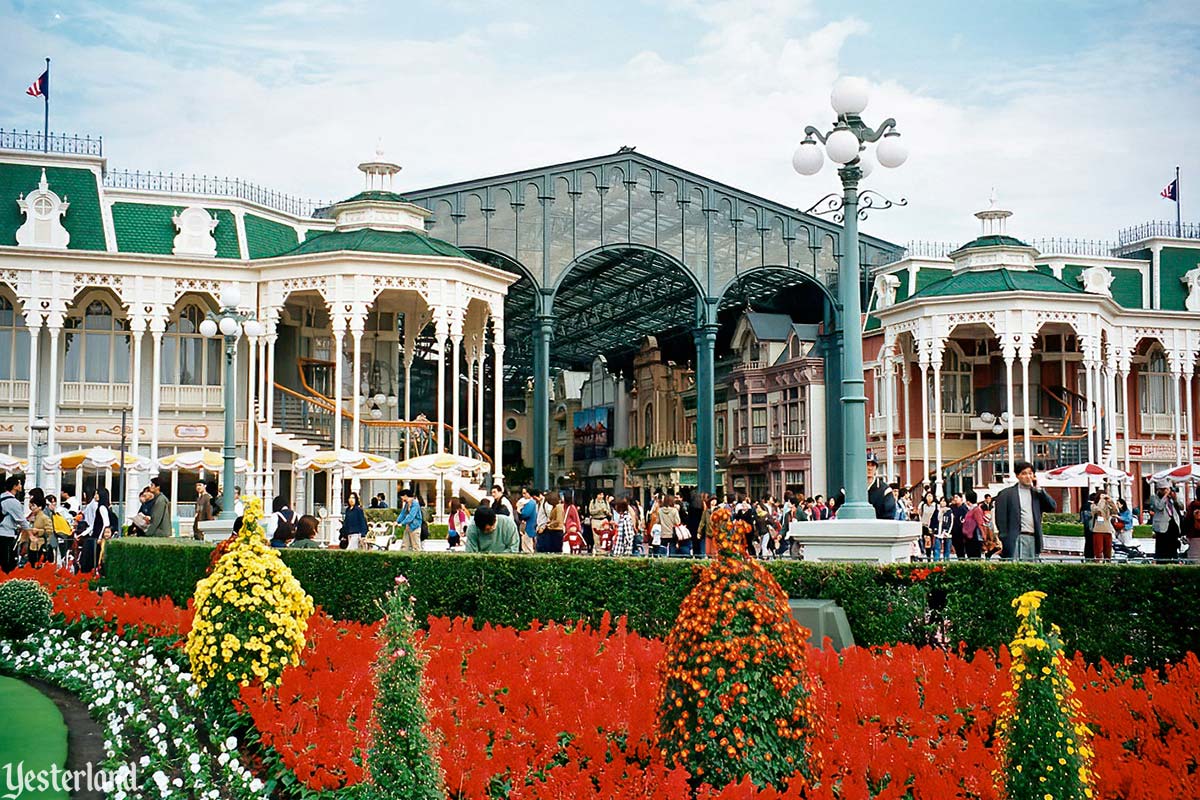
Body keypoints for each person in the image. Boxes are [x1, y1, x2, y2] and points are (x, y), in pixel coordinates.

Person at [994, 461, 1057, 560]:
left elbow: (1052, 507)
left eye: (1030, 473)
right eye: (1024, 473)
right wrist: (1004, 539)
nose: (1028, 476)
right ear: (1017, 475)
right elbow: (1001, 519)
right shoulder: (1006, 494)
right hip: (1015, 538)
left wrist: (1040, 490)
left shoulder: (1037, 494)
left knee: (1031, 570)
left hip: (1033, 537)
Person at [79, 486, 114, 574]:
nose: (95, 496)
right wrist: (83, 534)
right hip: (95, 535)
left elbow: (106, 523)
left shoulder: (102, 508)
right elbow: (94, 525)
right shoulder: (101, 507)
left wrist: (100, 537)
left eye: (97, 494)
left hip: (97, 537)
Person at [1148, 481, 1185, 562]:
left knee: (1173, 547)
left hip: (1173, 524)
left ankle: (1174, 560)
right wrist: (1165, 496)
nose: (1167, 491)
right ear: (1159, 490)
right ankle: (1162, 562)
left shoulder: (1171, 498)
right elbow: (1159, 507)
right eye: (1164, 489)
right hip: (1162, 527)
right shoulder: (1154, 498)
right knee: (1162, 549)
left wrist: (1175, 499)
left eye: (1167, 489)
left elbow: (1181, 507)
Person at [0, 475, 27, 573]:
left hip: (2, 532)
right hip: (6, 534)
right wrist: (30, 532)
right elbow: (21, 520)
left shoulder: (1, 497)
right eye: (19, 483)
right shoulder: (13, 502)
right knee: (7, 563)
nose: (21, 486)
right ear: (15, 486)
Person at [20, 494, 53, 568]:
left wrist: (38, 531)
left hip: (40, 545)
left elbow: (49, 531)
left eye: (33, 505)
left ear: (40, 507)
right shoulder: (31, 517)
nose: (31, 508)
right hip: (30, 545)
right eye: (31, 506)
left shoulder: (45, 518)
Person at [865, 454, 897, 520]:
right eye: (867, 464)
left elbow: (889, 515)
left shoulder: (885, 490)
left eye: (872, 465)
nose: (869, 468)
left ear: (876, 468)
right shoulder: (853, 488)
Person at [1090, 491, 1119, 561]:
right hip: (1098, 530)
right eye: (1102, 495)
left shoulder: (1107, 505)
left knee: (1108, 549)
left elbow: (1115, 511)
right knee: (1098, 549)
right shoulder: (1094, 505)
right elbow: (1098, 509)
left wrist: (1111, 502)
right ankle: (1098, 562)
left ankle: (1108, 563)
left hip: (1107, 529)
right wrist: (1101, 501)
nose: (1104, 496)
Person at [962, 491, 984, 559]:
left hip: (975, 537)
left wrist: (983, 535)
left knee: (975, 556)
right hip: (969, 537)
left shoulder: (976, 510)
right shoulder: (971, 510)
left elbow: (980, 523)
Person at [517, 487, 538, 554]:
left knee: (528, 547)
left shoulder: (531, 503)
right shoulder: (529, 503)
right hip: (526, 527)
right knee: (525, 546)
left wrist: (519, 511)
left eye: (525, 493)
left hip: (528, 527)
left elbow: (525, 514)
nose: (523, 495)